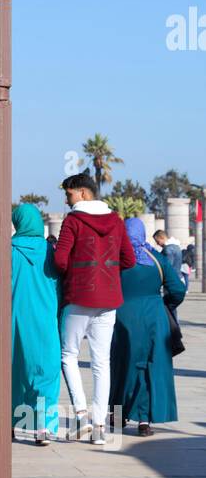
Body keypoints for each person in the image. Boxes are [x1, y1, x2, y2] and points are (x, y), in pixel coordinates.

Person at [54, 173, 136, 443]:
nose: (67, 200)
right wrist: (107, 276)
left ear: (84, 193)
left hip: (78, 297)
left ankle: (81, 416)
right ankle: (99, 426)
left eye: (69, 194)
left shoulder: (73, 221)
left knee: (69, 355)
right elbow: (129, 259)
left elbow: (60, 260)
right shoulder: (116, 221)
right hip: (109, 300)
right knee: (102, 362)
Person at [110, 217, 187, 437]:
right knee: (150, 367)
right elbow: (178, 290)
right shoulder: (156, 259)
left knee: (121, 366)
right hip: (154, 317)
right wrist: (166, 304)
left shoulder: (116, 258)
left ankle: (117, 415)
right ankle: (144, 421)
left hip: (122, 317)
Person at [10, 203, 61, 446]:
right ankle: (43, 427)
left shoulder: (7, 251)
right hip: (44, 318)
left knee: (13, 370)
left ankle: (8, 423)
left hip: (13, 319)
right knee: (46, 371)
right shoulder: (50, 252)